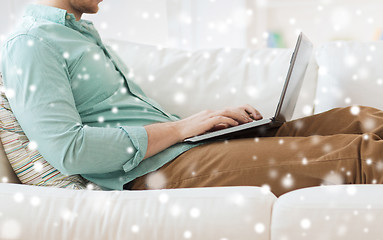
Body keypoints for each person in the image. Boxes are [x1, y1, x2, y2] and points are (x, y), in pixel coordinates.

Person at [1, 0, 383, 197]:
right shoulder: (32, 44)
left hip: (184, 150)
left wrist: (211, 121)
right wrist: (184, 128)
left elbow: (128, 117)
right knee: (362, 156)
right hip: (154, 173)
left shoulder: (80, 34)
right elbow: (70, 149)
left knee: (360, 118)